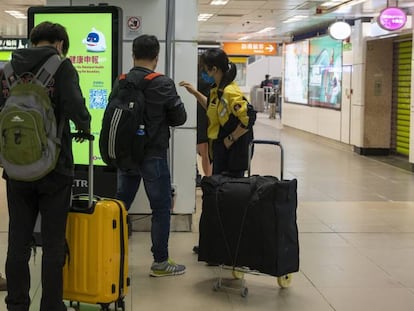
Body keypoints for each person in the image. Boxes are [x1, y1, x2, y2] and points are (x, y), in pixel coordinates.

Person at [0, 22, 91, 311]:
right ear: (60, 44)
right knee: (52, 244)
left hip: (16, 169)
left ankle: (16, 304)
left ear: (32, 41)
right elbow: (77, 108)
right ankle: (51, 306)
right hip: (55, 168)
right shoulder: (62, 67)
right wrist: (84, 125)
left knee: (18, 241)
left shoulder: (7, 70)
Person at [113, 34, 187, 277]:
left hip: (127, 156)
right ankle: (160, 262)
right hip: (153, 154)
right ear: (156, 57)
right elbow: (180, 118)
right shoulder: (163, 83)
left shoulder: (122, 81)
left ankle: (109, 253)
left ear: (133, 55)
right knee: (161, 208)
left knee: (120, 205)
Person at [180, 48, 253, 178]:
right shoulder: (217, 90)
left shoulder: (230, 92)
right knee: (218, 190)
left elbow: (248, 118)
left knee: (228, 191)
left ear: (214, 69)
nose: (203, 71)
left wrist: (230, 139)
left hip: (232, 153)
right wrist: (195, 93)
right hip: (220, 148)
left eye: (205, 68)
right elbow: (210, 107)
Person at [196, 64, 213, 184]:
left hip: (202, 112)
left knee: (204, 152)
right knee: (207, 152)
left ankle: (208, 179)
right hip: (208, 113)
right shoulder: (215, 76)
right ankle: (210, 179)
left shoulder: (196, 75)